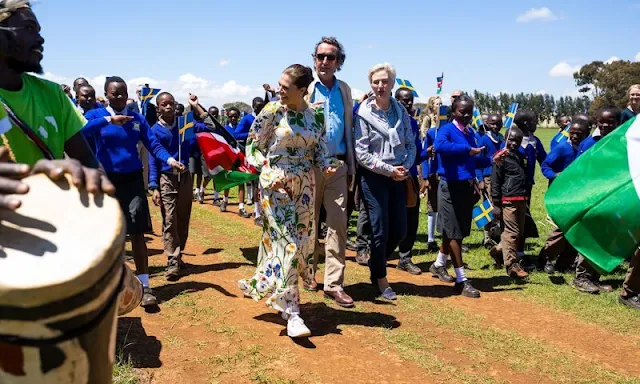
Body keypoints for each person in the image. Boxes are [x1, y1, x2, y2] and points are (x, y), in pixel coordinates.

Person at [238, 64, 336, 338]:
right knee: (289, 244)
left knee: (302, 243)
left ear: (302, 90)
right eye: (279, 85)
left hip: (304, 185)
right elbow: (253, 147)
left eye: (285, 87)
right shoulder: (272, 111)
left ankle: (265, 280)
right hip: (276, 185)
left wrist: (327, 165)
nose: (279, 90)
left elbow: (320, 150)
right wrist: (269, 173)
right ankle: (293, 313)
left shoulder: (316, 116)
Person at [83, 76, 184, 307]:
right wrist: (109, 120)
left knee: (137, 232)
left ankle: (145, 286)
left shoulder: (136, 119)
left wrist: (170, 160)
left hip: (132, 181)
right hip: (106, 181)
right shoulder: (96, 116)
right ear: (106, 94)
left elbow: (153, 144)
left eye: (122, 93)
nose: (119, 97)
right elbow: (82, 132)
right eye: (114, 93)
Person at [0, 0, 113, 198]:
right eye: (29, 28)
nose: (40, 39)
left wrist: (98, 184)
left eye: (39, 31)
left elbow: (88, 160)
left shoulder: (52, 94)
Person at [354, 63, 416, 300]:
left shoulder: (401, 112)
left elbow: (410, 143)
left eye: (385, 81)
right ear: (371, 84)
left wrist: (405, 167)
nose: (380, 86)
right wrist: (388, 170)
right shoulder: (363, 113)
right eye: (376, 82)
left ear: (392, 83)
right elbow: (362, 152)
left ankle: (375, 261)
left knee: (400, 230)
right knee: (379, 229)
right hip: (374, 177)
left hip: (398, 176)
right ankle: (380, 277)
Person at [305, 36, 356, 308]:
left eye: (331, 57)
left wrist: (351, 166)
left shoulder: (345, 90)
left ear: (339, 62)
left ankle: (334, 284)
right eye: (321, 56)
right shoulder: (306, 89)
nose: (325, 61)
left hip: (338, 164)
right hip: (310, 166)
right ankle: (308, 274)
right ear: (314, 60)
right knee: (309, 223)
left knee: (338, 225)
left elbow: (348, 127)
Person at [430, 95, 489, 298]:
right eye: (461, 111)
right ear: (453, 112)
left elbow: (471, 161)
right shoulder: (446, 130)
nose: (465, 115)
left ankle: (438, 264)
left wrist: (492, 160)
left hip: (466, 187)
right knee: (454, 232)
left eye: (469, 112)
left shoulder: (470, 132)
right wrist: (466, 149)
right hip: (449, 186)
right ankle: (461, 279)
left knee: (456, 230)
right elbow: (439, 147)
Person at [149, 92, 211, 281]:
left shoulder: (185, 125)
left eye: (171, 103)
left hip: (185, 178)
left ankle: (178, 253)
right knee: (170, 218)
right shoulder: (154, 130)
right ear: (158, 108)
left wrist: (195, 106)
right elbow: (152, 158)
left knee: (183, 217)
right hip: (166, 178)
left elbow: (208, 127)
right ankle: (172, 259)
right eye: (163, 104)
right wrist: (154, 186)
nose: (168, 106)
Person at [571, 108, 621, 294]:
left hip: (612, 198)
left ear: (617, 123)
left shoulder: (620, 143)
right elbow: (579, 171)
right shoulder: (589, 143)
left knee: (605, 237)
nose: (606, 125)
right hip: (592, 198)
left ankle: (594, 277)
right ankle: (581, 277)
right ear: (596, 123)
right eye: (602, 122)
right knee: (591, 237)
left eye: (611, 121)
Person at [537, 118, 590, 274]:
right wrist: (555, 176)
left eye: (578, 134)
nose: (574, 137)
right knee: (561, 228)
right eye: (572, 133)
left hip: (580, 195)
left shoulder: (587, 149)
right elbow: (546, 165)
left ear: (587, 133)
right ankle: (546, 257)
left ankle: (565, 262)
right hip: (562, 195)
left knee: (576, 228)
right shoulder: (562, 148)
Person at [489, 127, 530, 278]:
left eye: (517, 141)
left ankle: (498, 250)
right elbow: (495, 181)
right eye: (511, 140)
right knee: (511, 233)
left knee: (517, 233)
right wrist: (496, 205)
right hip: (507, 200)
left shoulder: (520, 156)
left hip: (521, 198)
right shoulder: (500, 157)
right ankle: (512, 265)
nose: (514, 143)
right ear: (505, 138)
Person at [394, 87, 424, 275]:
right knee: (390, 219)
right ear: (396, 100)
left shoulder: (413, 124)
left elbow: (417, 154)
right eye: (404, 100)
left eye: (411, 100)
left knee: (412, 218)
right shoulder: (388, 121)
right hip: (390, 174)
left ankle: (405, 258)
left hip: (410, 177)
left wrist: (426, 153)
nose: (408, 104)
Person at [420, 104, 449, 253]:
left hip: (449, 176)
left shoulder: (453, 134)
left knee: (448, 209)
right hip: (433, 175)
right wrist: (425, 177)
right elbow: (425, 156)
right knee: (432, 207)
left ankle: (448, 239)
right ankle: (431, 239)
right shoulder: (431, 133)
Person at [237, 97, 267, 226]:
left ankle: (262, 211)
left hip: (265, 154)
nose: (259, 108)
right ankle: (256, 212)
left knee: (262, 182)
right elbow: (237, 134)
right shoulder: (247, 119)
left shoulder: (267, 117)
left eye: (261, 106)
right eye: (257, 106)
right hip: (251, 155)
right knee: (254, 182)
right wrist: (251, 135)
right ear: (253, 106)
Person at [219, 106, 250, 217]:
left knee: (241, 182)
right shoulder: (225, 129)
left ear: (238, 117)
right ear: (228, 116)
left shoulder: (241, 129)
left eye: (235, 116)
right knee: (229, 181)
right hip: (228, 158)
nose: (233, 118)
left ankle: (241, 207)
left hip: (241, 158)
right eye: (231, 116)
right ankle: (225, 200)